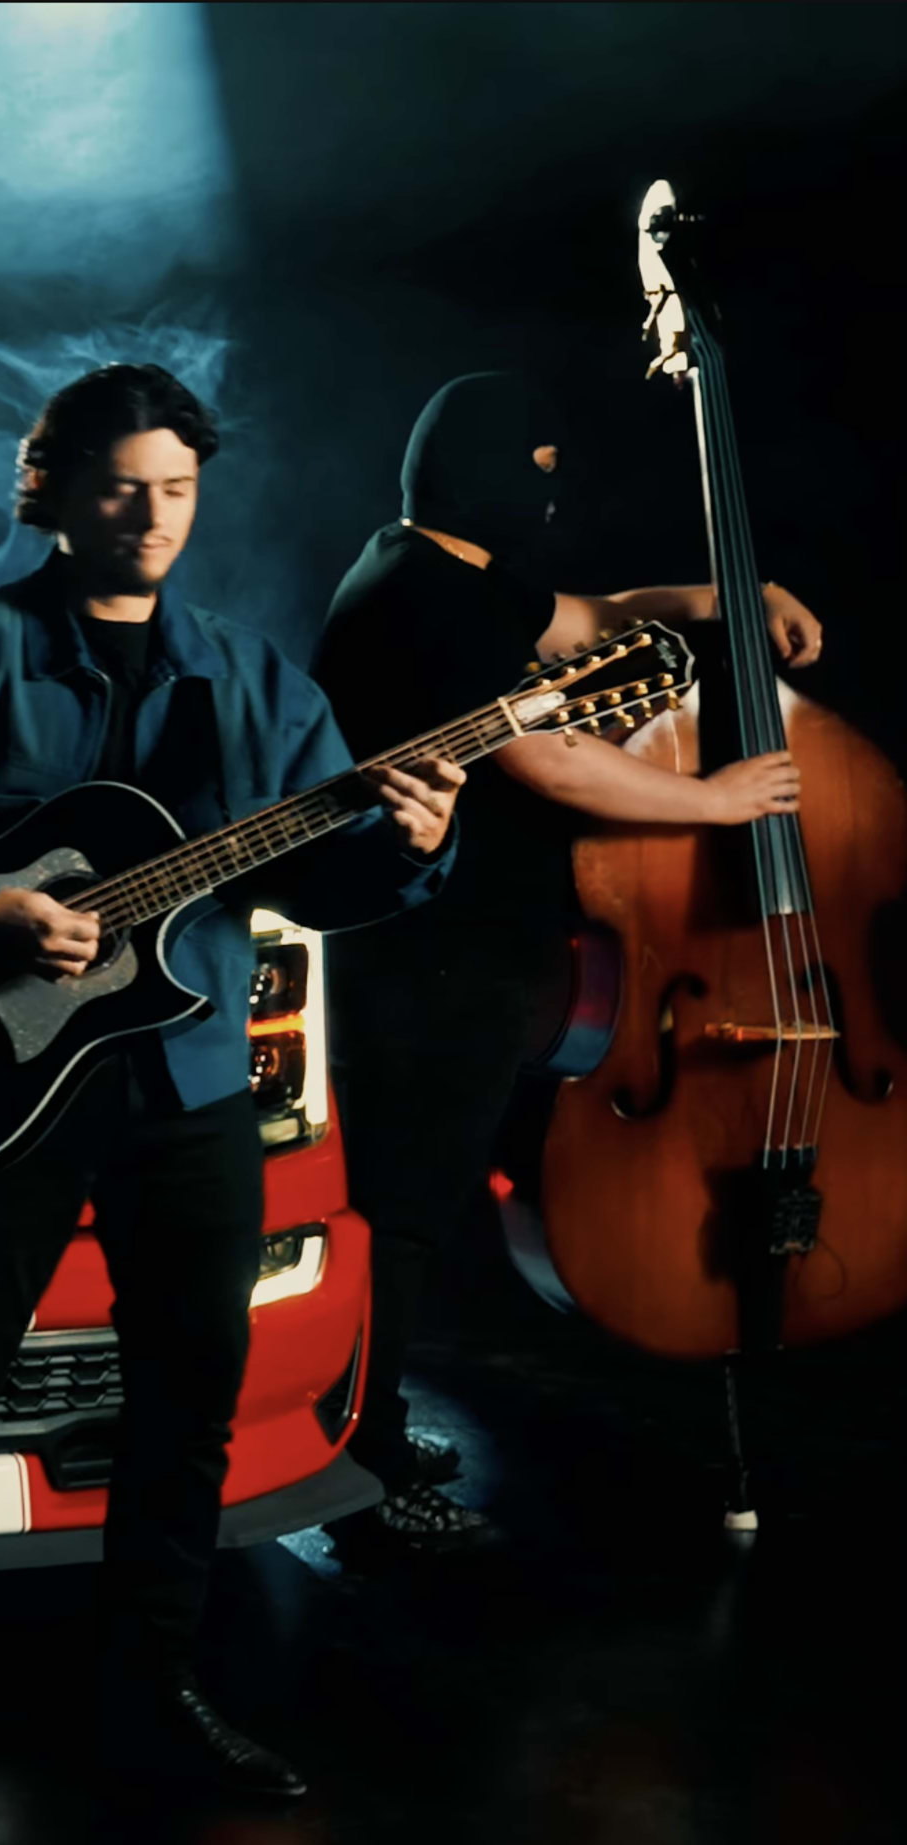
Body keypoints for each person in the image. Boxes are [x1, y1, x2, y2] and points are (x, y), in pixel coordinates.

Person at [0, 364, 465, 1811]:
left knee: (188, 1401)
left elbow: (327, 884)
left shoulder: (257, 681)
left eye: (180, 492)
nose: (153, 518)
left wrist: (411, 838)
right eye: (121, 488)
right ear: (53, 494)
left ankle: (153, 1686)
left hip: (190, 1089)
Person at [308, 372, 824, 1554]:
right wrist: (717, 799)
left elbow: (585, 619)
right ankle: (365, 1471)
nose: (548, 495)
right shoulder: (411, 595)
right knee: (403, 1208)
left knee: (422, 1204)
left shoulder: (454, 571)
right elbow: (546, 763)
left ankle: (367, 1436)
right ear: (486, 470)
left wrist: (727, 591)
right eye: (534, 471)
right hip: (427, 952)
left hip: (481, 948)